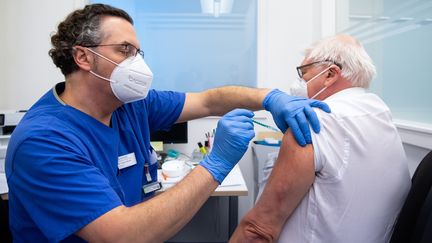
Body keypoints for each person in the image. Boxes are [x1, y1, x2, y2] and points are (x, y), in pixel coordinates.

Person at [4, 4, 331, 242]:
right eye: (124, 50)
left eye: (138, 52)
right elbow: (122, 235)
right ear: (83, 57)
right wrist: (215, 164)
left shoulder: (130, 106)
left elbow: (207, 100)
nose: (138, 63)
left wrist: (268, 97)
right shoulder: (44, 141)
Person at [230, 34, 411, 243]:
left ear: (330, 74)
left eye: (303, 74)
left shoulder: (312, 121)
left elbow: (259, 230)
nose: (297, 83)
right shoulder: (379, 113)